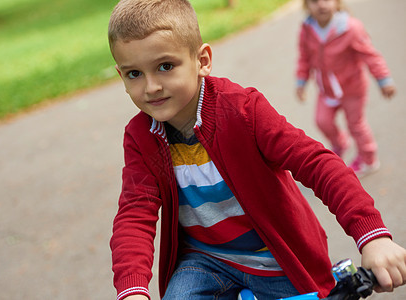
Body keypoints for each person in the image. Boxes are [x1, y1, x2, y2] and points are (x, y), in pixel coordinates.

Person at [108, 0, 406, 299]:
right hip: (204, 261)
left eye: (165, 66)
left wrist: (372, 237)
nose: (151, 87)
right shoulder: (140, 137)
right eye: (135, 73)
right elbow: (134, 214)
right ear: (122, 76)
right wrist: (132, 290)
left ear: (202, 61)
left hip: (276, 258)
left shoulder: (243, 111)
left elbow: (317, 164)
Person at [295, 0, 396, 177]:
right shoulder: (307, 30)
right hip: (326, 89)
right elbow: (304, 58)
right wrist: (301, 82)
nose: (321, 5)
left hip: (352, 89)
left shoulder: (351, 28)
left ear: (337, 2)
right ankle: (340, 143)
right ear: (306, 6)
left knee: (356, 125)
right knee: (322, 121)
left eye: (326, 0)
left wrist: (384, 79)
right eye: (314, 1)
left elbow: (370, 55)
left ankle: (369, 159)